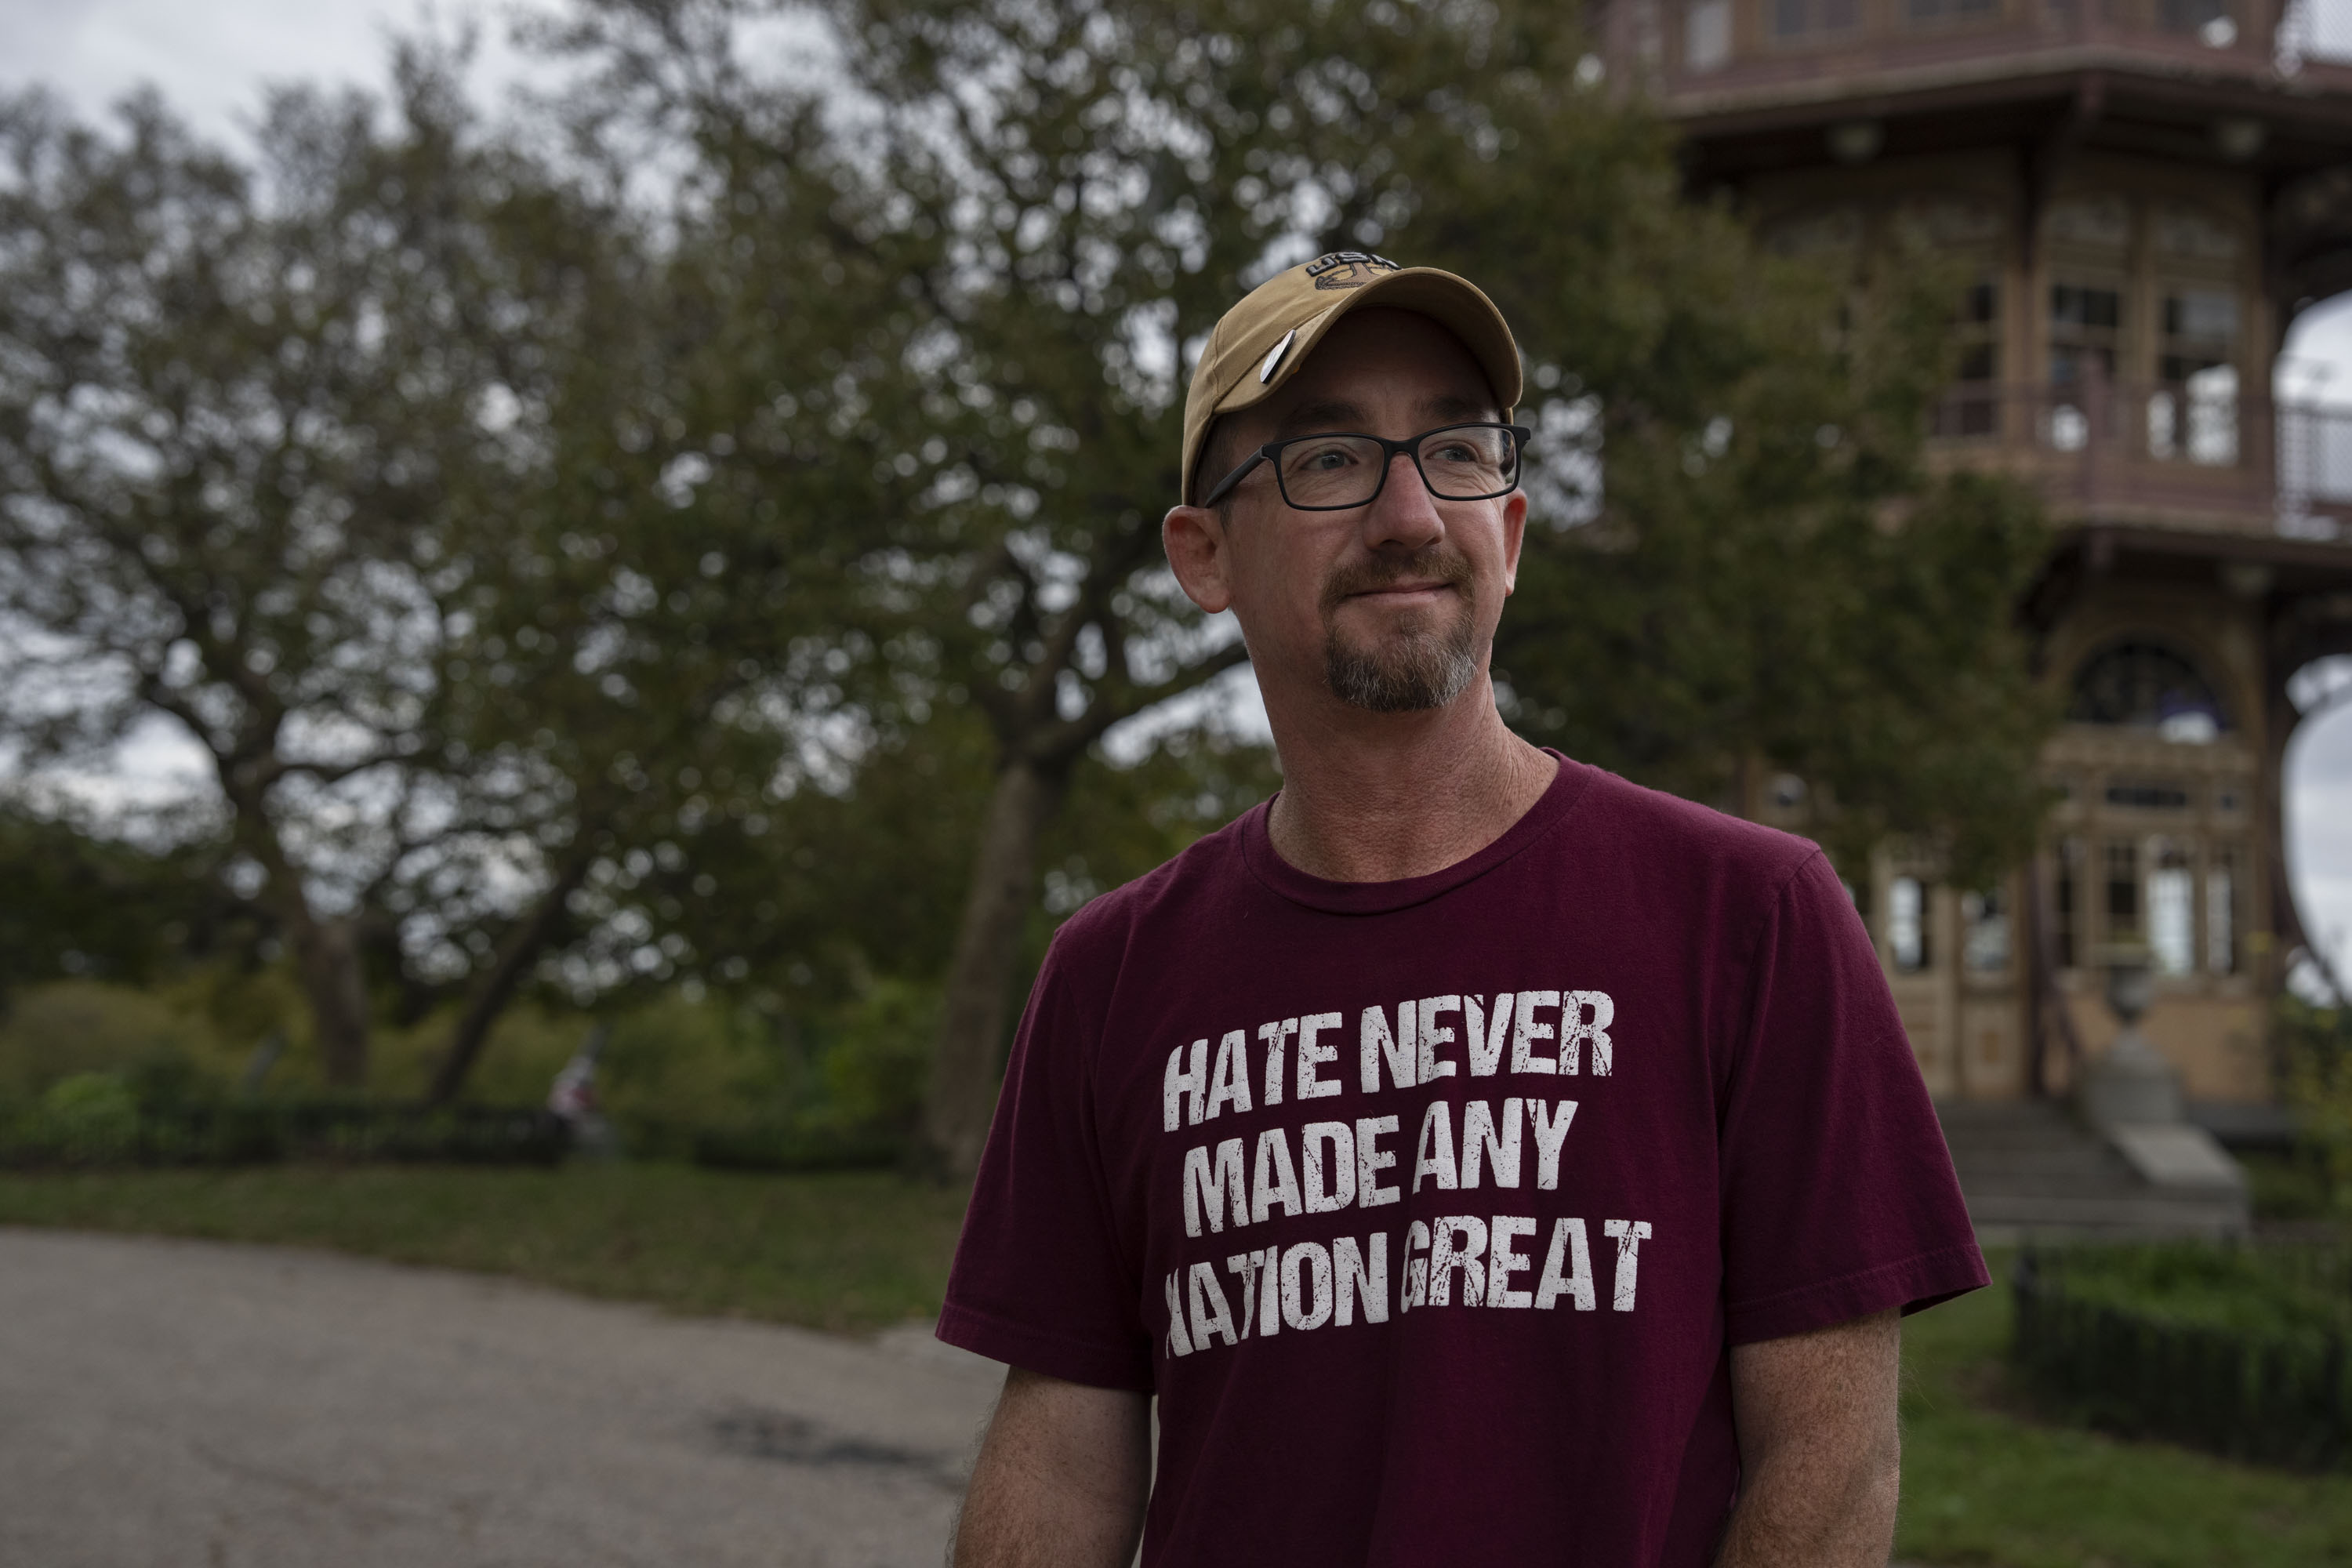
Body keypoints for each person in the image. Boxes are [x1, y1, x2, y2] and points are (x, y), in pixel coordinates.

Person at [935, 252, 1987, 1567]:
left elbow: (1831, 1468)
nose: (1408, 514)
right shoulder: (1110, 977)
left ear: (1515, 528)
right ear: (1202, 555)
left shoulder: (1751, 919)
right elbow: (1062, 1459)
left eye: (1458, 452)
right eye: (1326, 460)